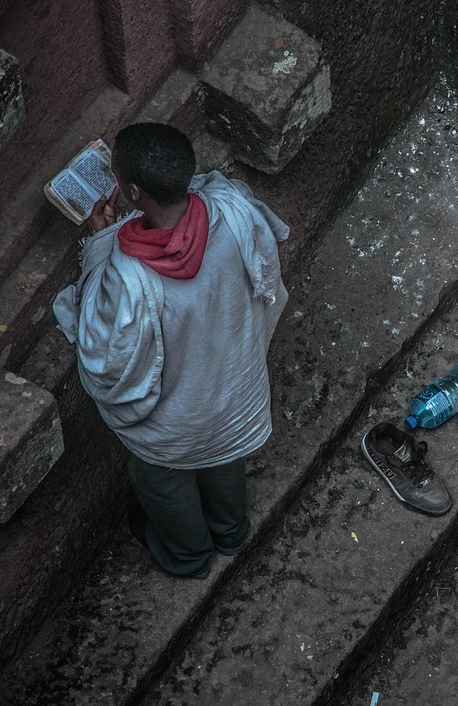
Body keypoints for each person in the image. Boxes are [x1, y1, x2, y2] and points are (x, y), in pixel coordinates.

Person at [53, 122, 289, 579]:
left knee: (164, 483)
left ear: (133, 192)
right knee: (225, 462)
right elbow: (270, 248)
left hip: (175, 423)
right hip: (236, 391)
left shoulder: (127, 275)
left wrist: (102, 238)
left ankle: (189, 558)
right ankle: (231, 534)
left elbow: (106, 363)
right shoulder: (232, 207)